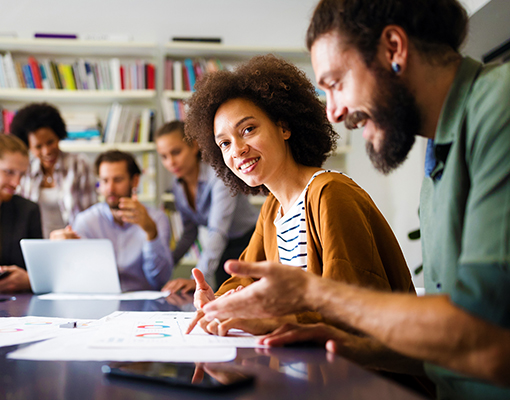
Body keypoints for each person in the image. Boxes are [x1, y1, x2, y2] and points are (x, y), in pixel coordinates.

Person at [199, 0, 510, 398]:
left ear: (394, 48)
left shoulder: (498, 110)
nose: (335, 111)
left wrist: (309, 295)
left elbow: (486, 339)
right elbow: (450, 349)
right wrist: (346, 345)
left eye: (335, 82)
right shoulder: (438, 163)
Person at [184, 54, 415, 338]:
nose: (237, 150)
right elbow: (245, 280)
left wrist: (274, 319)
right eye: (225, 143)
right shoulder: (273, 209)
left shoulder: (330, 194)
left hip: (370, 376)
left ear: (284, 127)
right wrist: (219, 302)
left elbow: (355, 306)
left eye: (248, 129)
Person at [155, 121, 258, 292]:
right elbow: (189, 233)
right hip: (222, 249)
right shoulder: (177, 187)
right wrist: (166, 265)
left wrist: (197, 280)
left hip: (249, 244)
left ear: (194, 146)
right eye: (164, 156)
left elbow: (218, 231)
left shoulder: (220, 176)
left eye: (176, 152)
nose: (171, 162)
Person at [50, 150, 172, 292]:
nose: (110, 188)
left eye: (118, 180)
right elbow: (75, 275)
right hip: (99, 302)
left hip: (144, 304)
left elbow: (160, 280)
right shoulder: (86, 221)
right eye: (105, 181)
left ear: (135, 181)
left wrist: (151, 232)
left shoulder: (156, 219)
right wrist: (60, 250)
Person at [10, 103, 96, 238]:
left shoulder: (79, 165)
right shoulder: (25, 170)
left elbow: (90, 215)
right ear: (28, 147)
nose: (47, 151)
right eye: (38, 146)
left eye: (50, 142)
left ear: (58, 136)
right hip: (36, 241)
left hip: (73, 242)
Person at [0, 134, 42, 293]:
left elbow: (39, 272)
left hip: (18, 306)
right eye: (9, 172)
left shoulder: (28, 210)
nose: (16, 183)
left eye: (22, 175)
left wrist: (30, 281)